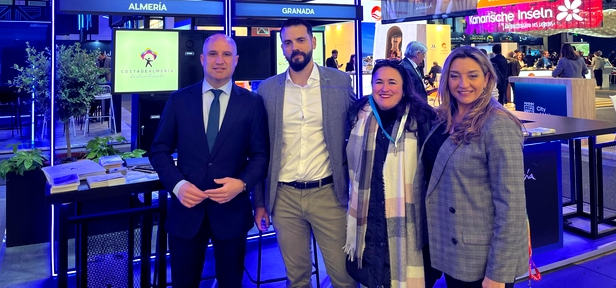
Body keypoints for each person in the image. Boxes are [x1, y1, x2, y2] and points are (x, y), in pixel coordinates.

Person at [149, 34, 269, 288]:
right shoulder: (179, 100)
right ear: (203, 59)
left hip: (231, 213)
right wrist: (178, 186)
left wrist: (242, 184)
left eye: (226, 54)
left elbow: (260, 155)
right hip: (186, 213)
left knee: (230, 283)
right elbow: (159, 150)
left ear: (236, 60)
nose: (219, 60)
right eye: (213, 54)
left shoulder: (252, 103)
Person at [253, 19, 356, 288]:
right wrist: (259, 202)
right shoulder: (267, 90)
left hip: (329, 195)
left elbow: (360, 124)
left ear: (313, 42)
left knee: (344, 277)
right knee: (297, 278)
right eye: (288, 43)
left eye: (300, 40)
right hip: (284, 198)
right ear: (282, 48)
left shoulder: (339, 82)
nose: (294, 47)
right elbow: (259, 150)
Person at [423, 46, 528, 288]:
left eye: (472, 75)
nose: (463, 84)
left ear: (487, 78)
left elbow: (511, 205)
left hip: (481, 257)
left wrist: (498, 273)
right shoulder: (443, 117)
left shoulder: (498, 124)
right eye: (455, 76)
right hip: (449, 246)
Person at [344, 60, 434, 287]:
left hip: (413, 227)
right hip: (369, 224)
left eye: (392, 82)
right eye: (379, 82)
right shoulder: (358, 116)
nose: (385, 88)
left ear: (404, 88)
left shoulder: (422, 120)